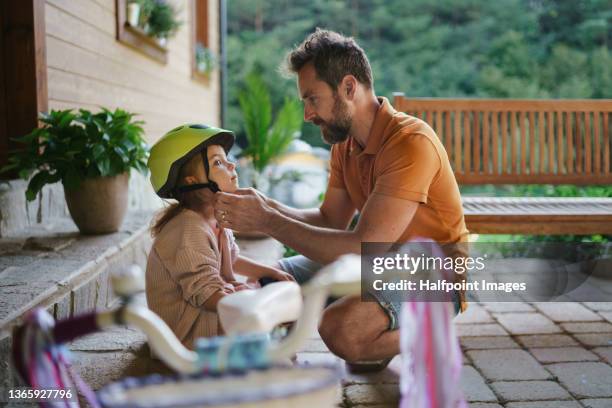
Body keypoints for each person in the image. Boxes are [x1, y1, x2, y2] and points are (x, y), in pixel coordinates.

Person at [213, 29, 468, 369]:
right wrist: (266, 205)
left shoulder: (410, 142)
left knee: (342, 329)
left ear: (349, 88)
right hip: (377, 264)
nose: (307, 114)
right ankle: (369, 336)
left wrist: (266, 220)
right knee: (264, 282)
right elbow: (330, 220)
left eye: (312, 99)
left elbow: (365, 246)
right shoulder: (345, 146)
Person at [145, 124, 294, 350]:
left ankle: (277, 356)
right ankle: (273, 365)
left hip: (207, 312)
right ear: (192, 181)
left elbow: (230, 259)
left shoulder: (216, 219)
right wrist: (248, 296)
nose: (231, 165)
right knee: (262, 315)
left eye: (226, 159)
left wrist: (269, 272)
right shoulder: (188, 230)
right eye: (218, 163)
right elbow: (206, 294)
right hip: (185, 333)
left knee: (274, 297)